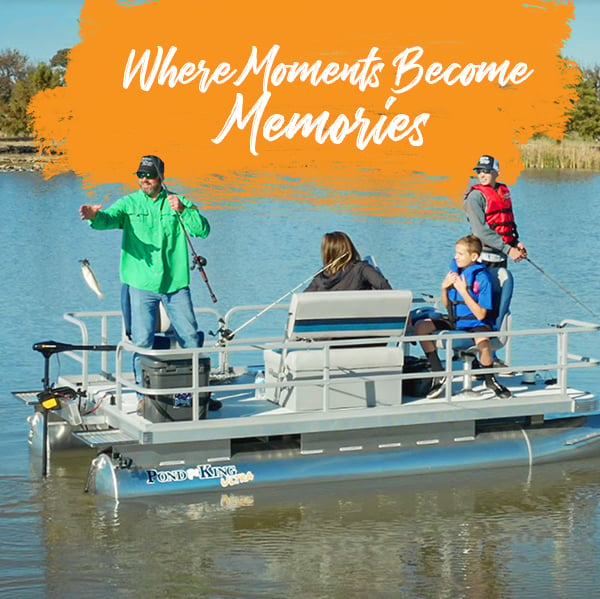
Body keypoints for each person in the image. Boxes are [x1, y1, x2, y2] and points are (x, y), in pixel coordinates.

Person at [79, 154, 220, 409]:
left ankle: (197, 393)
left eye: (149, 175)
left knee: (190, 337)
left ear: (161, 177)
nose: (144, 180)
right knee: (142, 340)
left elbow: (203, 230)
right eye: (140, 175)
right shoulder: (130, 203)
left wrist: (184, 211)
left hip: (175, 284)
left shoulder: (178, 201)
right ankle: (144, 397)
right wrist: (93, 216)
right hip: (140, 283)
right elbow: (108, 219)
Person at [414, 234, 511, 400]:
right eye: (455, 253)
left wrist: (464, 291)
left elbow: (481, 313)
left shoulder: (483, 278)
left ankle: (490, 379)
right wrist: (444, 288)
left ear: (473, 256)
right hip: (455, 320)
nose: (455, 257)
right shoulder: (456, 273)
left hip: (476, 322)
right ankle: (439, 373)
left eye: (460, 254)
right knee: (421, 327)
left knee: (483, 340)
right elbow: (447, 305)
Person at [464, 154, 527, 268]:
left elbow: (505, 223)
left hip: (500, 256)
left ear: (497, 172)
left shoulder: (502, 192)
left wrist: (514, 243)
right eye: (479, 171)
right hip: (482, 258)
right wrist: (508, 250)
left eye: (486, 171)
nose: (482, 175)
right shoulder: (475, 197)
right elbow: (479, 231)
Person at [304, 231, 392, 291]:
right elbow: (385, 288)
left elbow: (303, 302)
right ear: (350, 248)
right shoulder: (362, 269)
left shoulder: (320, 278)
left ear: (327, 254)